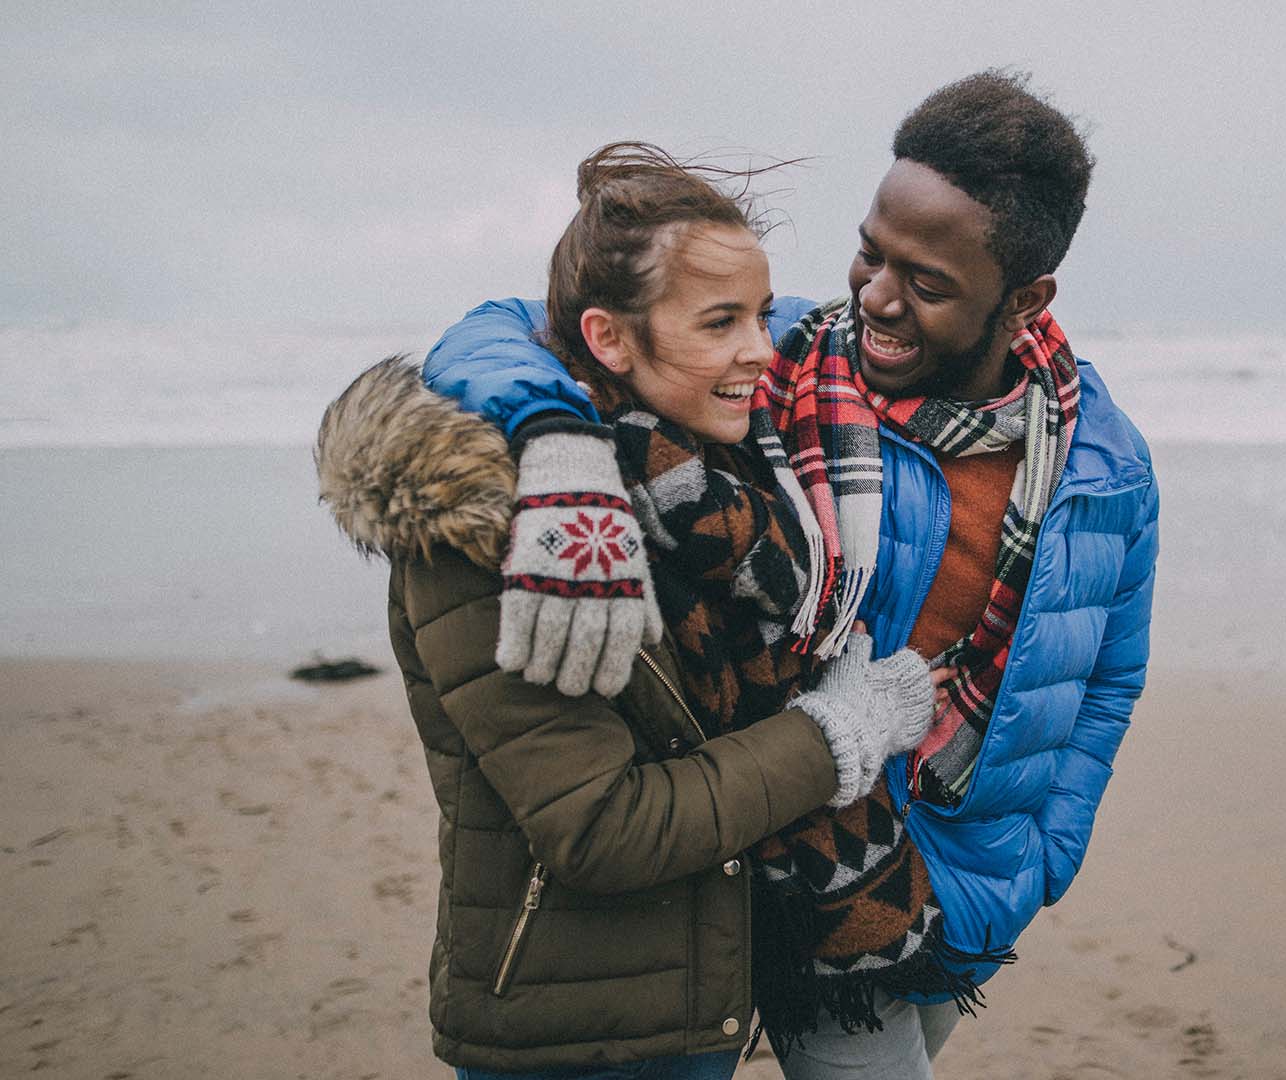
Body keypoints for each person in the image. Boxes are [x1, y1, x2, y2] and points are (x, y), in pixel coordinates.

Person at [422, 70, 1159, 1079]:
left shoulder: (1103, 466)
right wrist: (557, 446)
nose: (877, 297)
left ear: (1025, 299)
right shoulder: (790, 366)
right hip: (793, 857)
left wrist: (1038, 865)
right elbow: (509, 325)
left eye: (928, 283)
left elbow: (1106, 682)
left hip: (962, 886)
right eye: (871, 252)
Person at [315, 142, 946, 1079]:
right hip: (568, 1027)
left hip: (696, 999)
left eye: (762, 316)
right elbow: (603, 829)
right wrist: (837, 736)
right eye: (720, 321)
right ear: (609, 339)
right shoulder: (505, 530)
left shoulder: (731, 476)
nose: (759, 352)